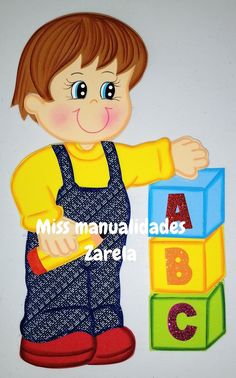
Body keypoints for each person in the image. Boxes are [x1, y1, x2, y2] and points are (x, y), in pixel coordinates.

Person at [11, 12, 209, 368]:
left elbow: (144, 160)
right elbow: (29, 186)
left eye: (110, 90)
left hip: (105, 255)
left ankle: (104, 324)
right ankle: (48, 333)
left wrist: (171, 155)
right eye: (80, 90)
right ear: (35, 104)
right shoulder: (48, 162)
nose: (96, 107)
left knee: (104, 283)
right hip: (60, 255)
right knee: (60, 291)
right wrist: (49, 222)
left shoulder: (116, 158)